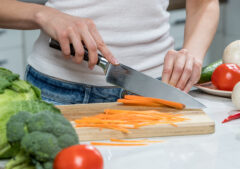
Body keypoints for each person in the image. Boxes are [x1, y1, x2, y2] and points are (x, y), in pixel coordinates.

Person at [0, 0, 219, 105]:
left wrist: (192, 53)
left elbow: (204, 4)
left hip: (155, 90)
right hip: (56, 94)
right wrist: (42, 14)